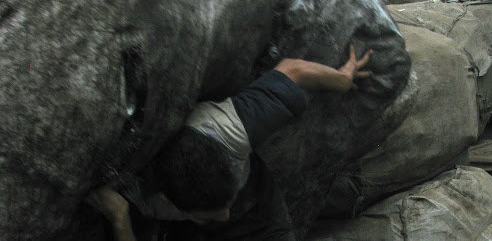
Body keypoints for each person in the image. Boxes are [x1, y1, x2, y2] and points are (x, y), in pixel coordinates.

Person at [86, 45, 373, 241]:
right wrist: (120, 219)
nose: (225, 216)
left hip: (257, 213)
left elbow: (293, 71)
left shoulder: (227, 128)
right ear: (164, 198)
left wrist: (342, 79)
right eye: (210, 216)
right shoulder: (134, 186)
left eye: (226, 201)